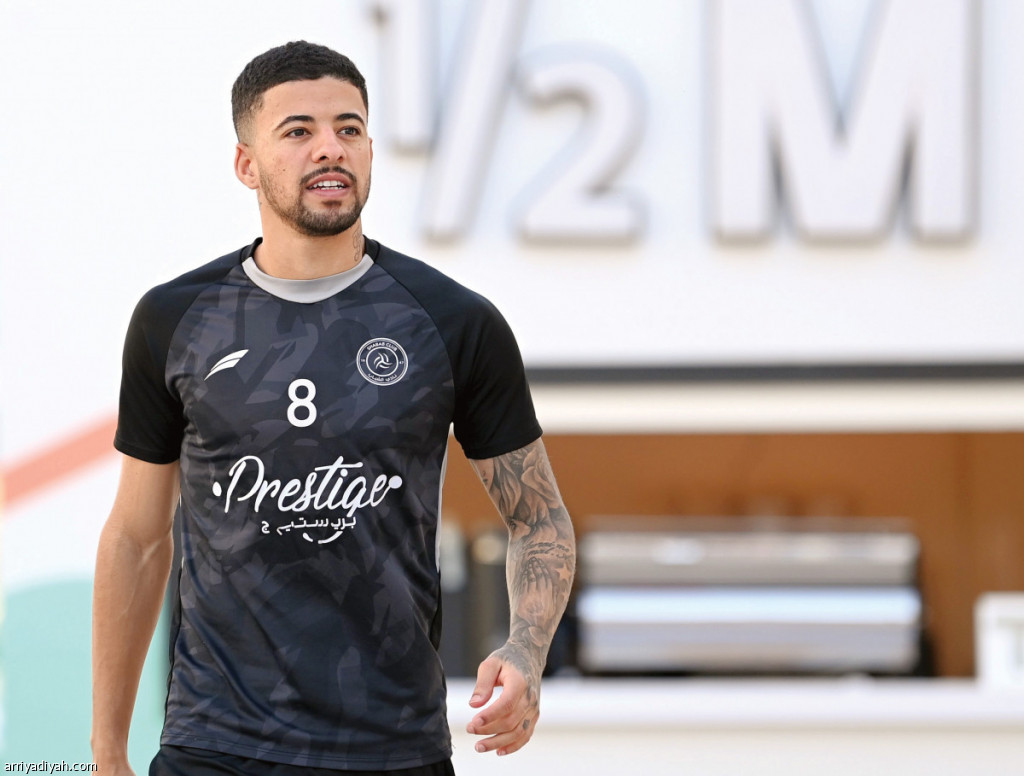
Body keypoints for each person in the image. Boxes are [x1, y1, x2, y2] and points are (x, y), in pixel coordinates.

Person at [91, 40, 576, 776]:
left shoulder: (453, 321)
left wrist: (526, 650)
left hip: (394, 749)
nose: (330, 148)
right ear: (246, 164)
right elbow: (136, 538)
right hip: (214, 747)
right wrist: (106, 752)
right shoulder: (175, 319)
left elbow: (538, 518)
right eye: (298, 131)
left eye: (349, 129)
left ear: (371, 150)